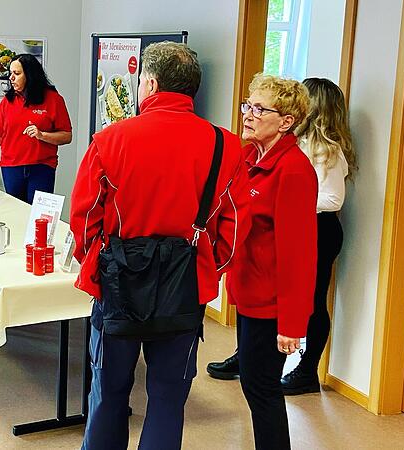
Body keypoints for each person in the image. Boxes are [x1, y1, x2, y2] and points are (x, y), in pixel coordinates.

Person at [70, 42, 249, 450]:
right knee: (169, 400)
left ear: (149, 83)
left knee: (108, 394)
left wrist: (98, 263)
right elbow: (234, 231)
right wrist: (203, 266)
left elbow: (83, 221)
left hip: (117, 282)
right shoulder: (228, 147)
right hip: (185, 287)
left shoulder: (110, 139)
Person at [226, 73, 317, 449]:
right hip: (249, 289)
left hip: (271, 303)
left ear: (286, 121)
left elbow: (300, 254)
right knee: (253, 382)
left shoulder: (294, 170)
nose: (248, 114)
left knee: (261, 388)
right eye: (248, 105)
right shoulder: (248, 156)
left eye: (259, 109)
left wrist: (293, 323)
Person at [279, 77, 356, 394]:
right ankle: (247, 357)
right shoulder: (298, 143)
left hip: (320, 230)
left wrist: (290, 202)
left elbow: (332, 200)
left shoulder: (329, 151)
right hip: (301, 226)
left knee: (312, 301)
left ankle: (307, 371)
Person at [0, 54, 72, 203]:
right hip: (11, 168)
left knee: (38, 217)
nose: (11, 78)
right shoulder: (7, 101)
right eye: (10, 73)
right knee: (16, 213)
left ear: (30, 75)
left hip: (42, 168)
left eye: (17, 74)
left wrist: (42, 135)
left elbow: (66, 136)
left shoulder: (54, 100)